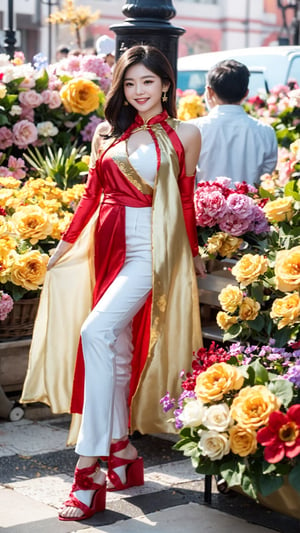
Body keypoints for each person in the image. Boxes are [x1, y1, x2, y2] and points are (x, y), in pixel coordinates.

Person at [21, 44, 205, 521]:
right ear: (121, 87)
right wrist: (62, 246)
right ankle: (122, 453)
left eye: (148, 81)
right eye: (130, 82)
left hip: (152, 253)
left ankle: (89, 470)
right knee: (117, 349)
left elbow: (185, 200)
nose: (139, 91)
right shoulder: (108, 132)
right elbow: (90, 196)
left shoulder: (186, 133)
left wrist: (196, 254)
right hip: (106, 249)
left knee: (95, 333)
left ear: (166, 83)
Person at [191, 59, 278, 186]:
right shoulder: (265, 131)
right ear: (246, 94)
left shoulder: (194, 129)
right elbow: (265, 177)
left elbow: (187, 177)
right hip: (249, 204)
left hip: (203, 204)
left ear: (209, 91)